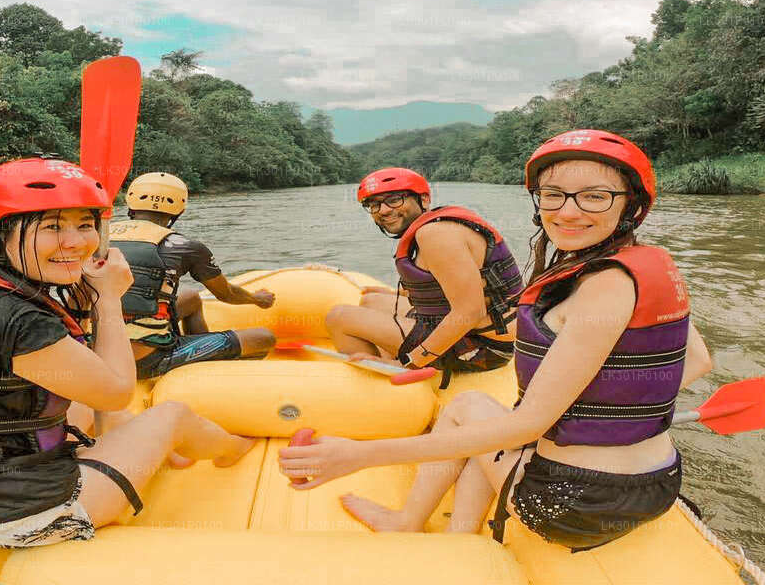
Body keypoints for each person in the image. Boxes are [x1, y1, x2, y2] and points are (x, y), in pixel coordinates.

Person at [280, 131, 714, 551]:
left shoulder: (602, 287)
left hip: (578, 503)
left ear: (632, 205)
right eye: (553, 194)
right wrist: (606, 413)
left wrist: (356, 455)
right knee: (478, 413)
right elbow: (697, 361)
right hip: (658, 482)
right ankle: (458, 539)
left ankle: (408, 520)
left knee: (473, 415)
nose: (566, 212)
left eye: (595, 196)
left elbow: (526, 426)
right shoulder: (650, 263)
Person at [0, 157, 254, 548]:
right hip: (18, 515)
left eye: (84, 224)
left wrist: (87, 300)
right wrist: (108, 298)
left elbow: (86, 375)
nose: (76, 242)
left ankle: (150, 451)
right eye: (52, 227)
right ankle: (235, 451)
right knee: (173, 414)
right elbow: (115, 390)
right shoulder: (11, 317)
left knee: (91, 396)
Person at [325, 167, 523, 385]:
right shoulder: (439, 225)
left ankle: (378, 384)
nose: (383, 210)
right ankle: (384, 356)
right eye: (374, 204)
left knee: (338, 317)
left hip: (482, 348)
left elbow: (471, 311)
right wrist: (399, 293)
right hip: (483, 334)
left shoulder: (435, 234)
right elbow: (451, 288)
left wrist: (410, 363)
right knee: (372, 300)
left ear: (424, 199)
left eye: (394, 200)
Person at [110, 171, 276, 380]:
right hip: (146, 359)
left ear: (130, 203)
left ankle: (200, 354)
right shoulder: (186, 247)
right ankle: (198, 370)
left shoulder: (98, 237)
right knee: (264, 338)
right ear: (179, 209)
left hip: (97, 349)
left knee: (192, 297)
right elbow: (227, 294)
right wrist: (257, 299)